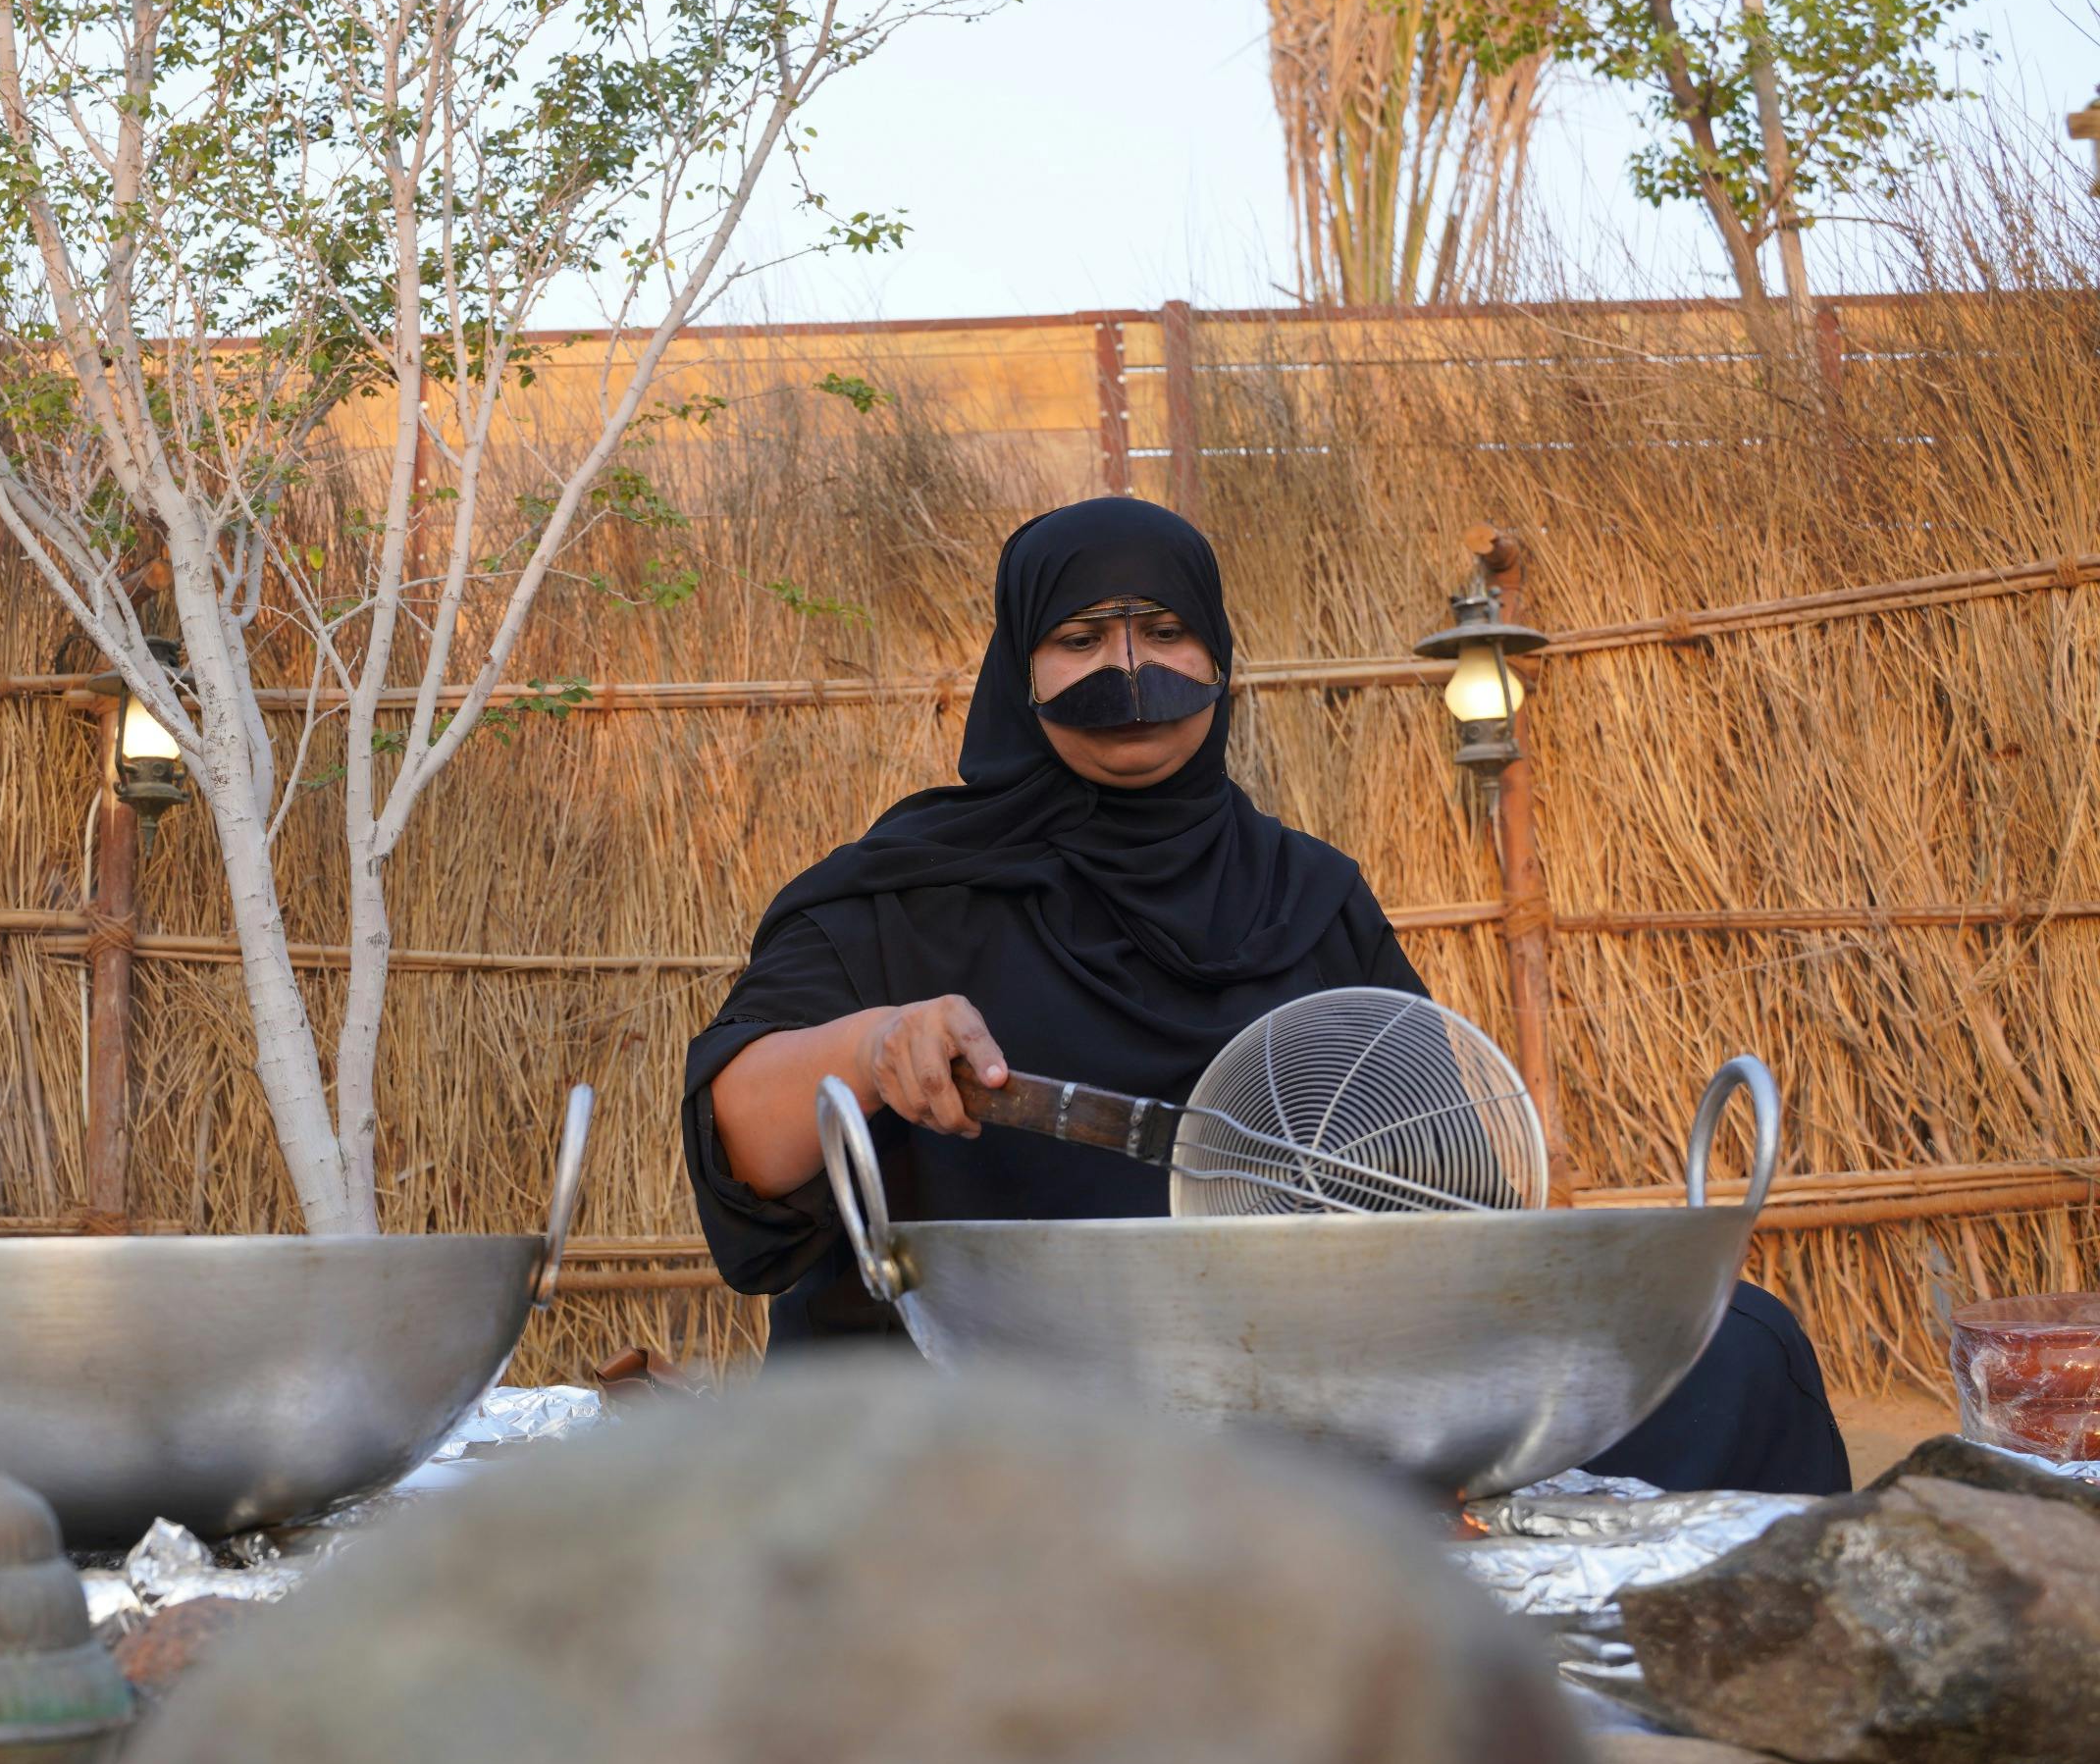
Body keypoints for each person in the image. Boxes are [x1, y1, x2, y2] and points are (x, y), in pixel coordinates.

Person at [681, 494, 1847, 1496]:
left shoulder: (1308, 896)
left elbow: (1439, 1199)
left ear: (1221, 657)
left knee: (1735, 1347)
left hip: (1291, 1392)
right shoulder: (901, 892)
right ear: (1018, 668)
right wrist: (874, 1040)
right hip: (982, 1392)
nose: (1127, 669)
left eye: (1166, 632)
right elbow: (742, 1136)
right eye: (1081, 638)